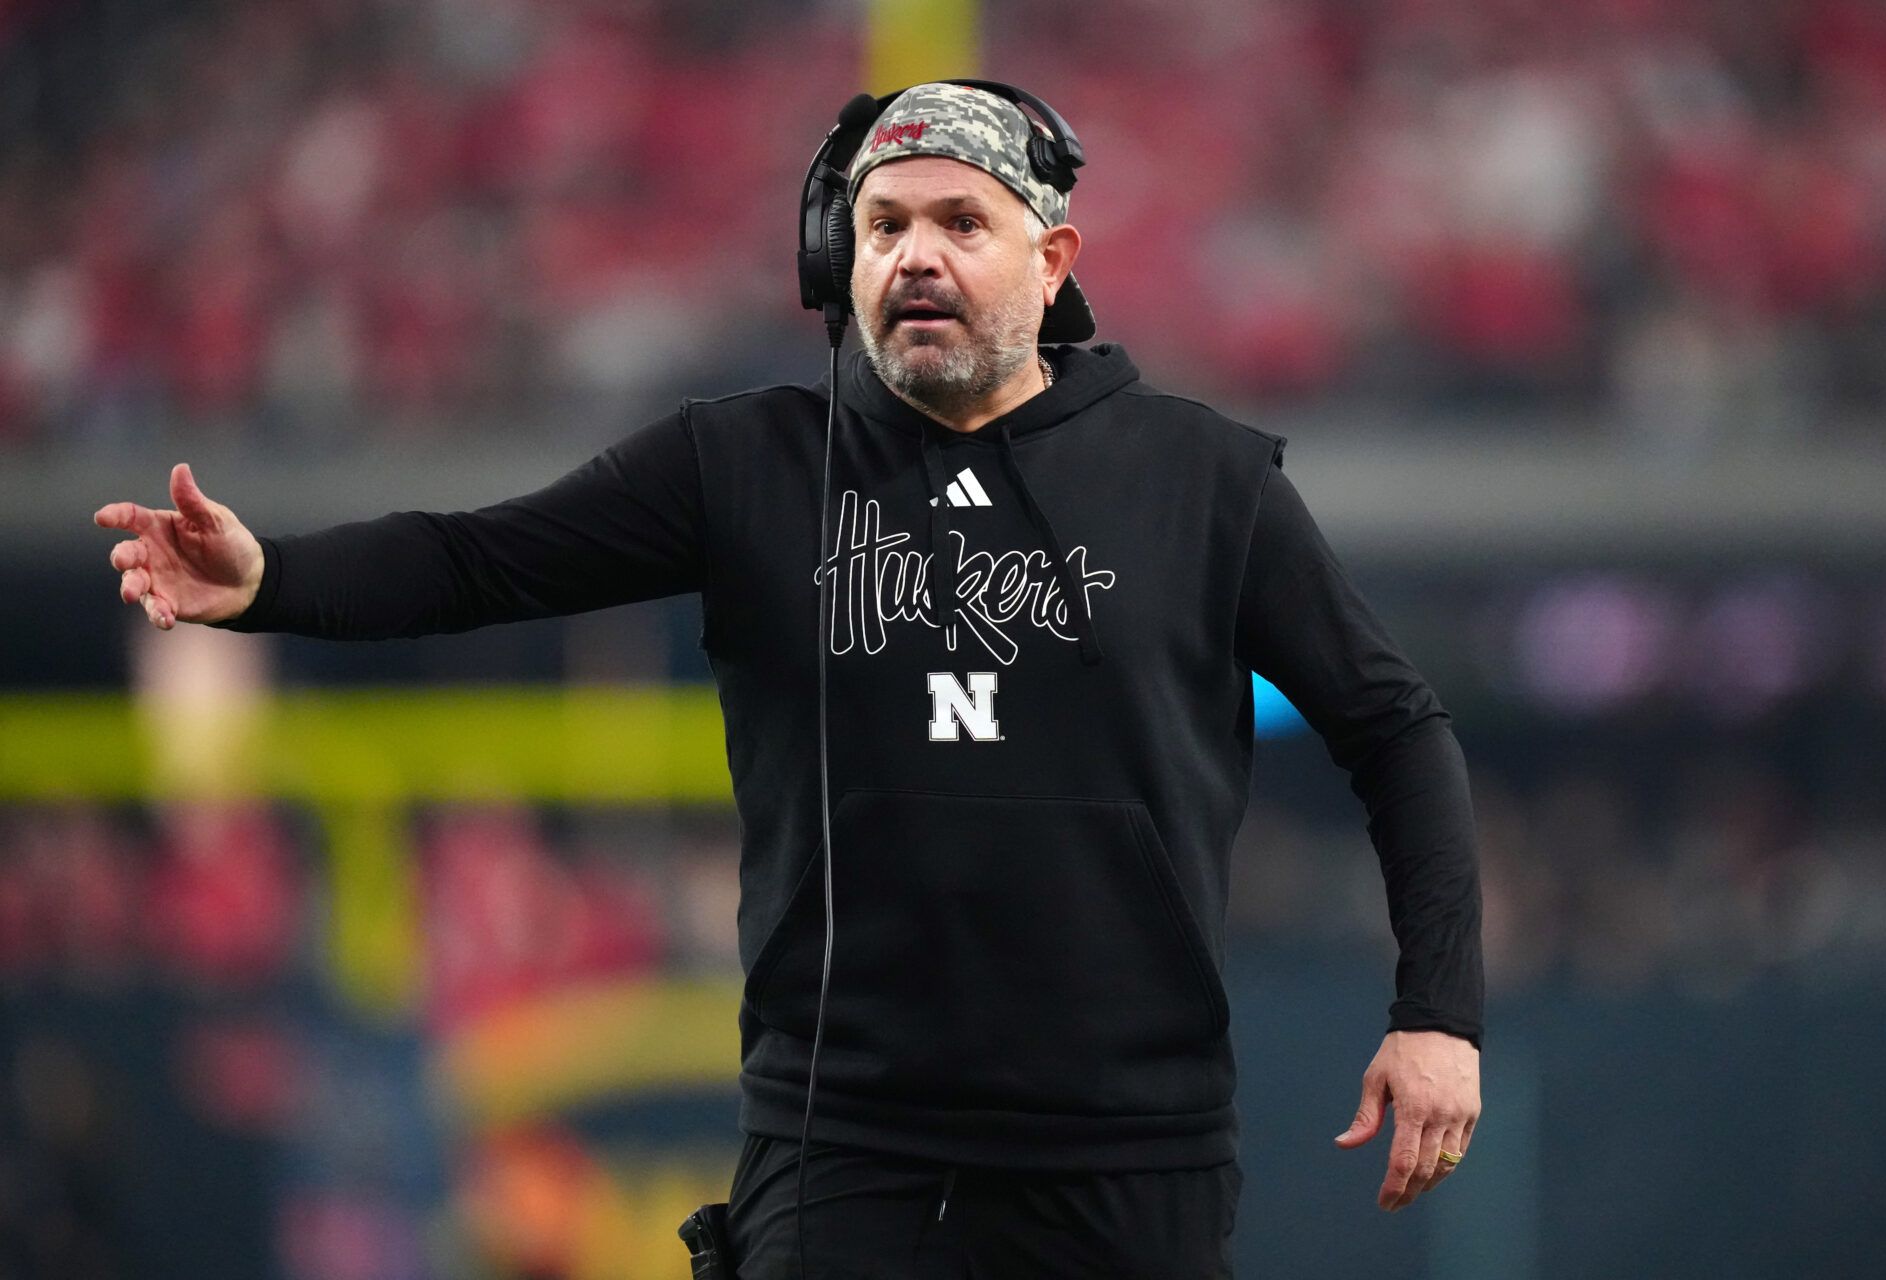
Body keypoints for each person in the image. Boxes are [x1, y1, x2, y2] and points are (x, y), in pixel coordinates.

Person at [94, 82, 1482, 1278]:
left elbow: (1394, 726)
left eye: (960, 224)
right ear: (840, 256)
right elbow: (475, 563)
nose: (914, 257)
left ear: (1054, 259)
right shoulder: (746, 463)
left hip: (1132, 1156)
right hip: (845, 1152)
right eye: (883, 227)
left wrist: (1439, 1014)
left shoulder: (1205, 479)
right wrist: (267, 580)